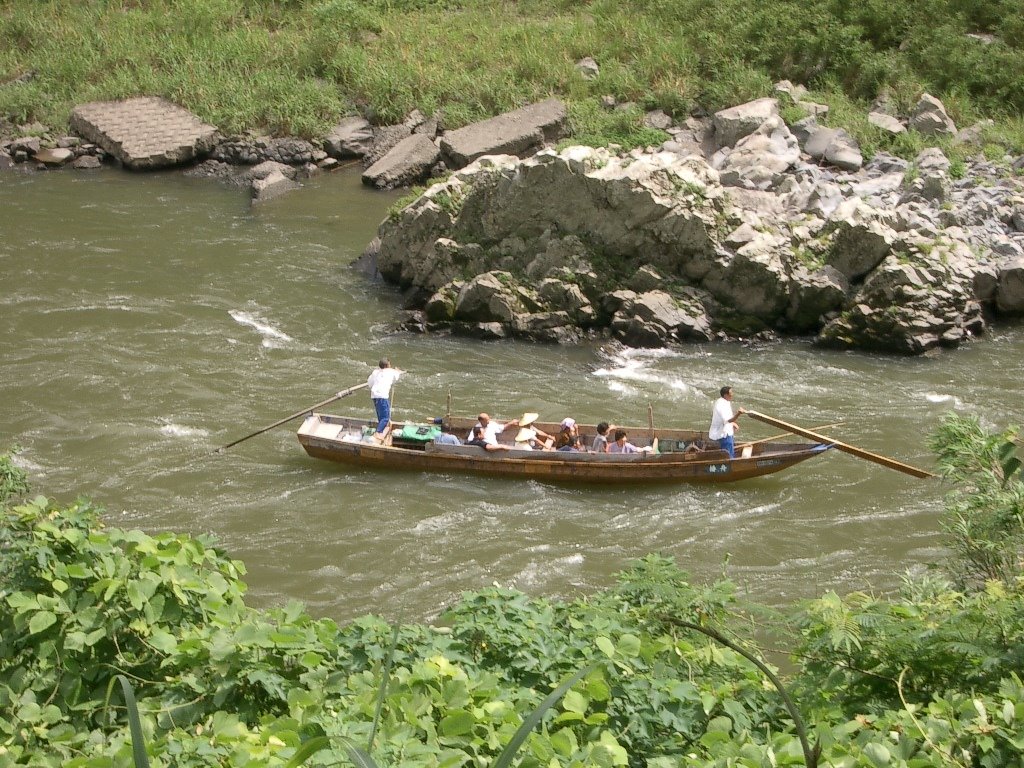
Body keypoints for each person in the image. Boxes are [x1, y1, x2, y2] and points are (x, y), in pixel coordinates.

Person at [367, 358, 403, 441]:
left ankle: (380, 431)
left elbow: (370, 383)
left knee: (380, 416)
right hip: (382, 396)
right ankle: (377, 433)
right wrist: (397, 371)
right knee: (385, 417)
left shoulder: (375, 372)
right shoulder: (391, 372)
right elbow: (396, 377)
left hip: (374, 396)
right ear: (387, 366)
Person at [709, 385, 745, 459]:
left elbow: (727, 419)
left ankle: (731, 459)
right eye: (730, 393)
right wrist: (739, 413)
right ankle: (730, 462)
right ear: (725, 395)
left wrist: (732, 424)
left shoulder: (725, 401)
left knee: (730, 448)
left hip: (727, 430)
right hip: (722, 433)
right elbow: (729, 419)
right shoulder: (721, 404)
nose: (732, 394)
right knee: (728, 453)